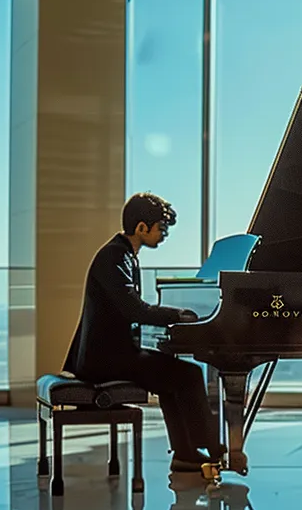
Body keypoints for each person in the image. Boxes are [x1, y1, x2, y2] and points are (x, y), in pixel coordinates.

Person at [64, 192, 224, 473]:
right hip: (104, 361)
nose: (164, 235)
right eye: (161, 228)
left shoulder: (123, 254)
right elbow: (134, 310)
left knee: (172, 378)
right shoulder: (115, 257)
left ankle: (186, 453)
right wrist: (177, 315)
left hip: (112, 352)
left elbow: (128, 313)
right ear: (141, 228)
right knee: (188, 374)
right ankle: (211, 447)